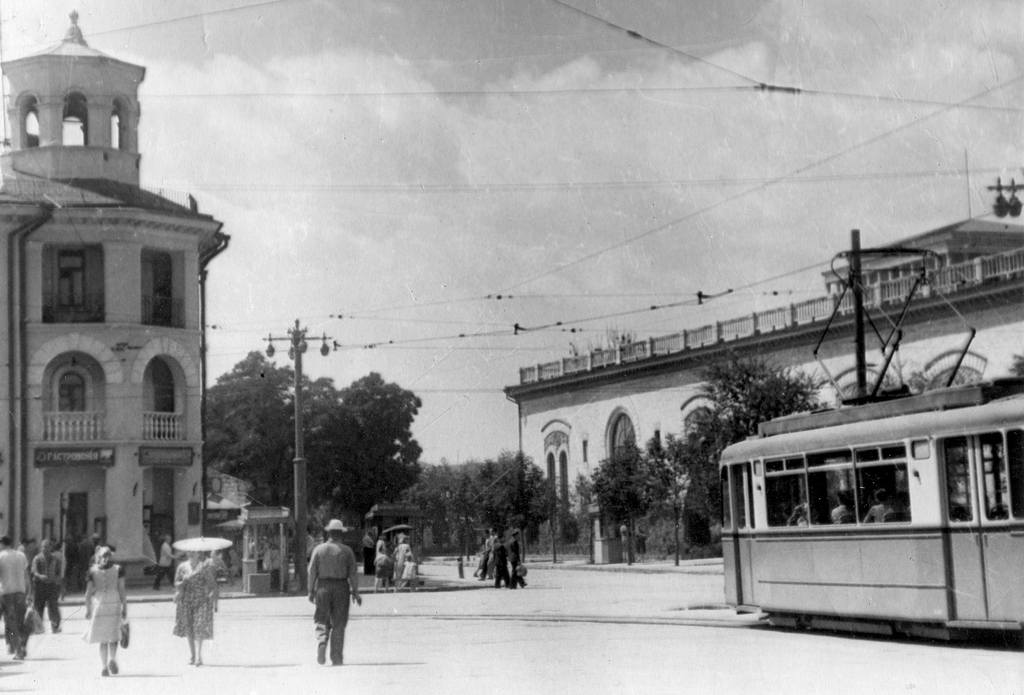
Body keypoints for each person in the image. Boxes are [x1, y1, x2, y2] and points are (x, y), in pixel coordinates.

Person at [308, 519, 362, 666]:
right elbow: (353, 574)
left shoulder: (319, 550)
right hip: (341, 587)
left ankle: (322, 641)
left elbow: (312, 571)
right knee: (339, 622)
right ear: (341, 534)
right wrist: (356, 593)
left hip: (323, 586)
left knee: (321, 618)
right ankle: (336, 657)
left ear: (329, 533)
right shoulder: (347, 551)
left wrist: (310, 591)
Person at [83, 546, 126, 677]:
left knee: (102, 638)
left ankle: (103, 666)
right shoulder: (119, 569)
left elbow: (88, 593)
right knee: (113, 636)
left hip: (99, 604)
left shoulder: (92, 571)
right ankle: (112, 659)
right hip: (114, 603)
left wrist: (88, 609)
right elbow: (121, 589)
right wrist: (125, 606)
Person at [173, 550, 217, 666]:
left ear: (199, 554)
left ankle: (198, 656)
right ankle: (192, 655)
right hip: (186, 601)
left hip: (201, 601)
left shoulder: (204, 567)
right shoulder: (182, 567)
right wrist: (183, 581)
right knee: (189, 628)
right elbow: (176, 583)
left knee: (199, 627)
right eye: (189, 552)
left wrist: (212, 596)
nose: (191, 554)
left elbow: (212, 584)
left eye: (194, 552)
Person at [0, 535, 30, 660]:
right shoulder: (21, 555)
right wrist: (29, 592)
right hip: (21, 591)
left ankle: (18, 649)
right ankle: (20, 645)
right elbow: (26, 575)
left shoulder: (1, 556)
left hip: (7, 592)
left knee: (11, 624)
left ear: (2, 544)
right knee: (20, 621)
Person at [30, 539, 63, 633]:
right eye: (43, 547)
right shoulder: (37, 558)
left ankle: (55, 627)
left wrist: (57, 579)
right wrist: (40, 576)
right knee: (38, 607)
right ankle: (38, 628)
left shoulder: (55, 559)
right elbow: (34, 571)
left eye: (47, 547)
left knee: (53, 607)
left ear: (51, 548)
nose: (45, 549)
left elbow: (58, 572)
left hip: (52, 586)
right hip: (39, 586)